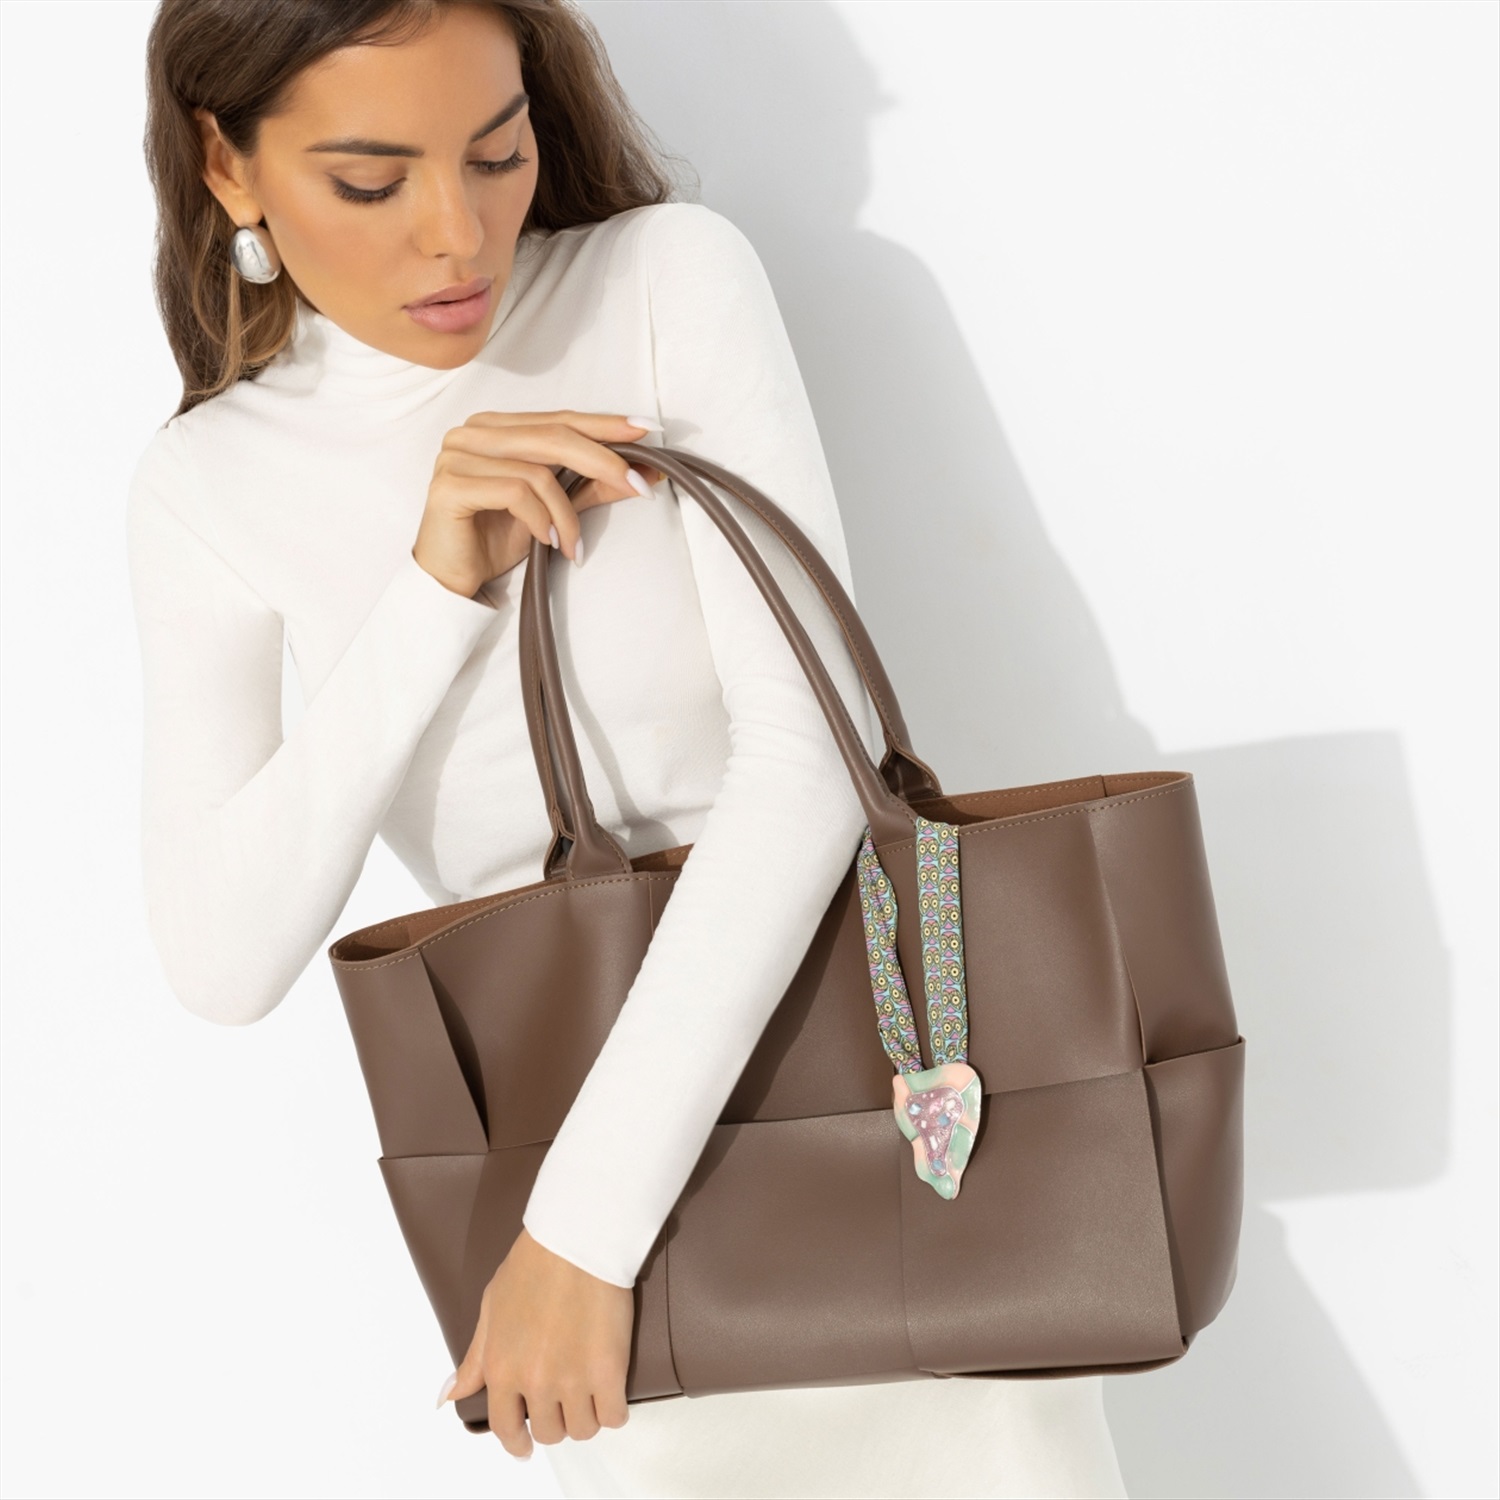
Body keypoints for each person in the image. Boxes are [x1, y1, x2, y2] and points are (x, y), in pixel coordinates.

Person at [126, 2, 1129, 1496]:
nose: (457, 235)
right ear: (228, 165)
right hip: (616, 1313)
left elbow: (815, 761)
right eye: (371, 181)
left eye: (497, 152)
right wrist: (435, 588)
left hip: (872, 1173)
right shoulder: (208, 484)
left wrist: (578, 1234)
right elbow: (223, 960)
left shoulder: (663, 281)